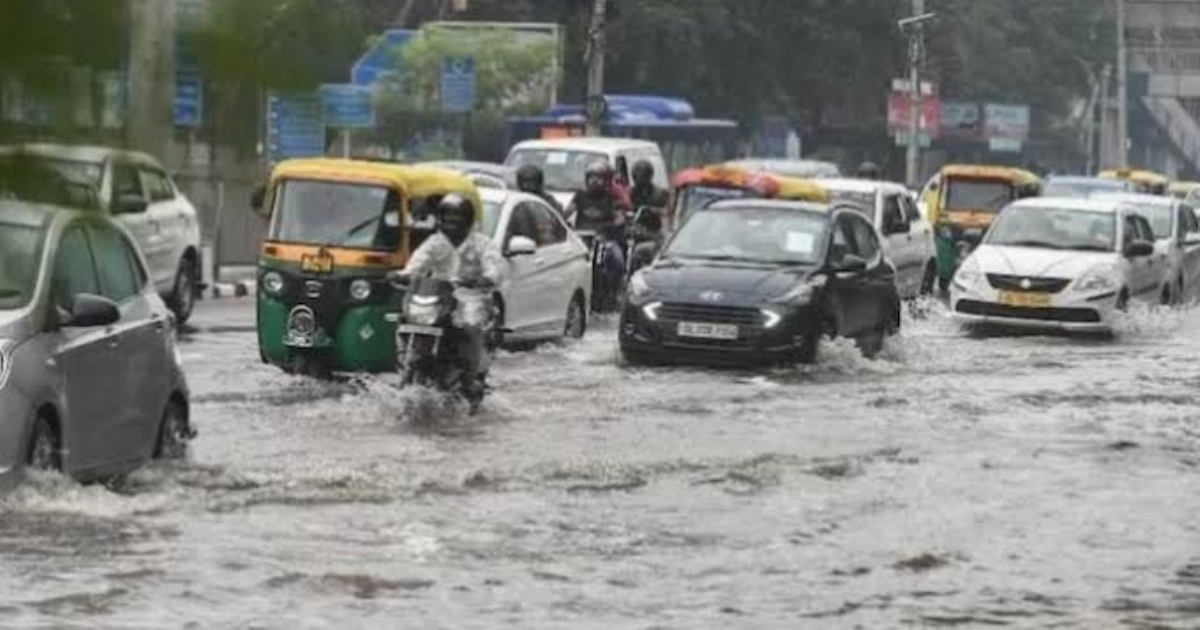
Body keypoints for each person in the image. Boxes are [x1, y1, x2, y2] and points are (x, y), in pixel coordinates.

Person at [400, 193, 505, 390]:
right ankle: (408, 364)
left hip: (472, 298)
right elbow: (417, 263)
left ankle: (473, 374)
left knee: (472, 326)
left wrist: (483, 279)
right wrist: (403, 275)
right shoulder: (434, 242)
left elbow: (495, 269)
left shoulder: (482, 243)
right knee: (406, 320)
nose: (451, 221)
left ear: (468, 219)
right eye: (446, 216)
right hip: (440, 298)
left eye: (457, 216)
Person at [567, 161, 631, 309]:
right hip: (582, 240)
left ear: (606, 181)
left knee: (617, 259)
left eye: (599, 178)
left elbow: (619, 216)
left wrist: (615, 223)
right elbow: (567, 212)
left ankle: (613, 293)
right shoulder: (580, 196)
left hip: (605, 239)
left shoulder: (611, 198)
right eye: (591, 178)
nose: (594, 181)